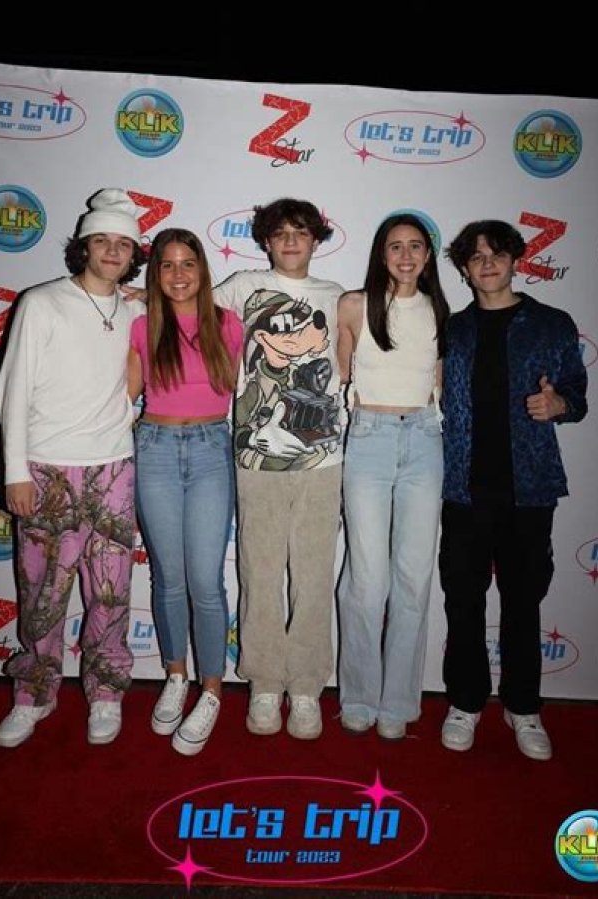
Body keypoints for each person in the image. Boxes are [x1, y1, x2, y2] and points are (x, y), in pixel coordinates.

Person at [0, 188, 147, 748]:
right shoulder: (41, 302)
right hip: (47, 470)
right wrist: (15, 471)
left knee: (110, 591)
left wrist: (147, 298)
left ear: (134, 253)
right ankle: (33, 694)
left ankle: (105, 693)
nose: (111, 251)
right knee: (43, 593)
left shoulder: (133, 309)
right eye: (101, 241)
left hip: (114, 469)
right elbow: (12, 390)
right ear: (83, 246)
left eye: (123, 244)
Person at [439, 219, 587, 761]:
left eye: (497, 254)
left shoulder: (552, 324)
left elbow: (577, 395)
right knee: (463, 600)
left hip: (529, 489)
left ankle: (523, 706)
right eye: (476, 256)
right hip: (462, 488)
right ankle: (466, 702)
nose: (487, 264)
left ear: (515, 260)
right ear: (463, 268)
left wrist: (560, 404)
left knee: (523, 602)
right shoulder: (452, 329)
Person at [213, 198, 344, 740]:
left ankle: (307, 686)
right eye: (281, 232)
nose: (291, 241)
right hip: (256, 458)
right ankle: (265, 682)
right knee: (260, 571)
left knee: (314, 575)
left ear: (316, 240)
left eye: (301, 232)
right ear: (266, 241)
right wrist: (135, 297)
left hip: (324, 458)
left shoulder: (336, 296)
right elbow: (182, 305)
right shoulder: (243, 287)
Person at [128, 228, 242, 756]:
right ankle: (176, 675)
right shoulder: (141, 325)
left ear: (202, 269)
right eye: (167, 265)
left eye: (188, 263)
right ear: (156, 273)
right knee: (169, 578)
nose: (178, 274)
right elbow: (124, 395)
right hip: (154, 448)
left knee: (205, 582)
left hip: (210, 449)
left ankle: (212, 691)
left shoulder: (228, 324)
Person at [336, 213, 449, 739]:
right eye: (395, 246)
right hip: (369, 438)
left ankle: (399, 703)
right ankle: (359, 696)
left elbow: (439, 382)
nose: (406, 256)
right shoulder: (354, 306)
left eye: (416, 246)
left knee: (413, 576)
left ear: (428, 255)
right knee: (367, 577)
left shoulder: (441, 312)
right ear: (381, 254)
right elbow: (336, 377)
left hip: (425, 439)